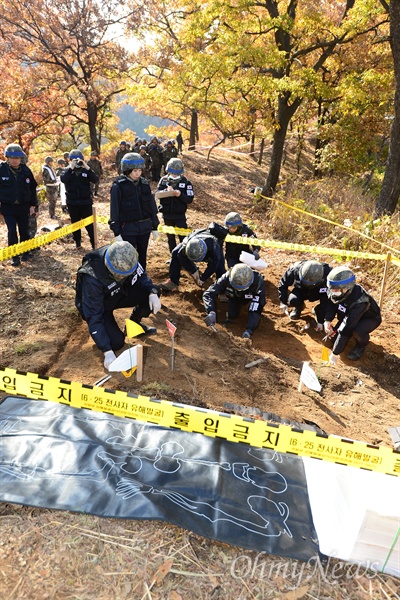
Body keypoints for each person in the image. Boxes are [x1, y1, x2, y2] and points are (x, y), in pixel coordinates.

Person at [75, 241, 161, 369]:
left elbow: (141, 275)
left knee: (151, 291)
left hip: (118, 293)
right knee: (116, 343)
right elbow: (94, 315)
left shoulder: (127, 256)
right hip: (101, 305)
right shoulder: (92, 278)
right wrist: (106, 351)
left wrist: (152, 292)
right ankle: (109, 343)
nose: (123, 276)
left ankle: (134, 323)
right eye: (120, 275)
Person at [109, 152, 159, 270]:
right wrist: (116, 232)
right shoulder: (118, 186)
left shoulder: (144, 184)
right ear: (127, 170)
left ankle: (142, 280)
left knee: (142, 257)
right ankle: (130, 283)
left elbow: (151, 206)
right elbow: (114, 211)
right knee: (129, 258)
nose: (138, 174)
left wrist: (155, 226)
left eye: (140, 171)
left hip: (145, 227)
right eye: (134, 171)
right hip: (128, 228)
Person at [323, 266, 382, 363]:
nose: (332, 291)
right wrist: (327, 320)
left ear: (346, 288)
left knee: (357, 331)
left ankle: (361, 346)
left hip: (368, 318)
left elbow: (347, 326)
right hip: (349, 315)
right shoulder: (334, 288)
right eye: (331, 288)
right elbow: (331, 304)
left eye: (336, 289)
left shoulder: (360, 301)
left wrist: (335, 353)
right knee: (334, 340)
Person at [203, 264, 266, 339]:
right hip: (233, 297)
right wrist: (211, 311)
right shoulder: (226, 277)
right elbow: (209, 293)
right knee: (233, 315)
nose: (239, 290)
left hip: (250, 297)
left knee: (254, 310)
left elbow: (257, 305)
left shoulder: (258, 282)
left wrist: (249, 330)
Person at [0, 143, 38, 266]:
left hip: (23, 206)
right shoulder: (2, 169)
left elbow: (32, 188)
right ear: (7, 157)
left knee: (24, 230)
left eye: (17, 158)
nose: (15, 161)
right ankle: (14, 255)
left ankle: (25, 252)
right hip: (7, 207)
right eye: (12, 158)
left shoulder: (26, 170)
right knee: (12, 231)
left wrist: (33, 205)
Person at [159, 228, 225, 291]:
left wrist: (203, 278)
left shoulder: (214, 250)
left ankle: (222, 289)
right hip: (195, 236)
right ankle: (173, 282)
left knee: (220, 266)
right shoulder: (187, 245)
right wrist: (193, 270)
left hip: (213, 240)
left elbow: (213, 265)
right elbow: (180, 255)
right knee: (175, 252)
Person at [60, 149, 99, 249]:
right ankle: (78, 243)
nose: (77, 162)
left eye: (79, 160)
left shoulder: (86, 170)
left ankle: (93, 244)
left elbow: (95, 179)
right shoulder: (67, 171)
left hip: (85, 202)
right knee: (75, 224)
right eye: (74, 160)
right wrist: (71, 168)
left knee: (89, 225)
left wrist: (87, 167)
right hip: (72, 202)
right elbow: (63, 179)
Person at [156, 158, 194, 255]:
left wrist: (179, 194)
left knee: (183, 238)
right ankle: (173, 256)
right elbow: (157, 194)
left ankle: (184, 257)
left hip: (179, 215)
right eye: (172, 173)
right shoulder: (163, 180)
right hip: (167, 214)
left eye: (177, 173)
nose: (174, 175)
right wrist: (166, 192)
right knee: (170, 238)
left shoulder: (186, 182)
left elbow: (189, 199)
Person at [278, 260, 332, 329]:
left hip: (319, 293)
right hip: (301, 291)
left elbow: (331, 298)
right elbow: (283, 284)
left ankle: (318, 312)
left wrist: (321, 321)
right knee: (293, 300)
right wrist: (283, 302)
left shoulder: (329, 274)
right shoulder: (294, 269)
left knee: (327, 300)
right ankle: (298, 308)